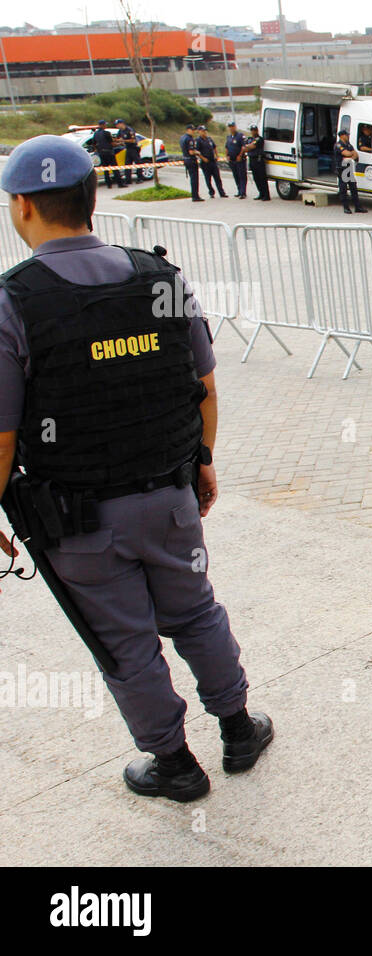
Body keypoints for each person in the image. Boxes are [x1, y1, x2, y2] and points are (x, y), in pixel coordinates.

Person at [0, 135, 272, 802]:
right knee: (196, 612)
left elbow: (2, 436)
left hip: (79, 520)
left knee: (124, 643)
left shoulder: (13, 302)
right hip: (171, 494)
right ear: (92, 198)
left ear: (25, 205)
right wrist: (203, 462)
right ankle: (239, 728)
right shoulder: (160, 276)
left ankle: (175, 765)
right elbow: (204, 386)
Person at [333, 130, 365, 215]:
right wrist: (350, 154)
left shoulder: (348, 144)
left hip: (349, 168)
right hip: (342, 169)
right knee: (343, 189)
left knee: (354, 188)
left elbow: (355, 154)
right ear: (342, 136)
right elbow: (346, 153)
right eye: (346, 135)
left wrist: (350, 155)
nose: (348, 136)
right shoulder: (338, 145)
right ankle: (346, 208)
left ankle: (357, 207)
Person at [195, 127, 227, 199]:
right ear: (199, 132)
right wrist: (203, 158)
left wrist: (216, 155)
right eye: (202, 131)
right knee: (208, 179)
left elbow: (214, 147)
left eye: (205, 131)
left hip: (212, 161)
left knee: (217, 178)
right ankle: (211, 192)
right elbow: (197, 152)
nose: (204, 132)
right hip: (205, 162)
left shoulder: (209, 139)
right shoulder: (198, 140)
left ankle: (222, 192)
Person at [242, 125, 271, 201]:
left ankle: (266, 195)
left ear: (257, 131)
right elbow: (244, 148)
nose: (253, 132)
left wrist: (247, 147)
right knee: (256, 178)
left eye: (254, 130)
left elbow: (252, 147)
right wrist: (247, 147)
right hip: (252, 160)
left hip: (259, 160)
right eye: (252, 130)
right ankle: (261, 193)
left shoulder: (259, 139)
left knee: (262, 178)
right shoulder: (250, 139)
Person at [92, 120, 120, 189]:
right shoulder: (107, 133)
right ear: (102, 125)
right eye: (105, 124)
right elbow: (112, 144)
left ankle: (109, 184)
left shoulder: (95, 134)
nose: (106, 126)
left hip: (101, 153)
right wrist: (119, 144)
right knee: (115, 168)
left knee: (106, 170)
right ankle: (120, 183)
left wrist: (98, 149)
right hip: (109, 153)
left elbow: (93, 143)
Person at [179, 124, 203, 202]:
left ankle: (195, 195)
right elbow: (191, 152)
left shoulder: (182, 137)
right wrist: (198, 152)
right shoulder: (190, 139)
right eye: (192, 130)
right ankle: (195, 196)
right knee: (194, 179)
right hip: (191, 160)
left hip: (186, 159)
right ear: (188, 130)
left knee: (192, 178)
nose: (194, 131)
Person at [225, 121, 248, 200]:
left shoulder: (240, 136)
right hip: (232, 160)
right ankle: (239, 191)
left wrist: (240, 155)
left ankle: (243, 192)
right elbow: (227, 147)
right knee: (236, 176)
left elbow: (243, 147)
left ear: (235, 127)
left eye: (232, 126)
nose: (231, 128)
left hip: (240, 159)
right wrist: (227, 155)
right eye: (230, 127)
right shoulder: (228, 137)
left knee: (242, 176)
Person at [114, 119, 141, 185]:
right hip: (128, 149)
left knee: (138, 163)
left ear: (121, 123)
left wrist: (123, 140)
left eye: (117, 124)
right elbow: (118, 139)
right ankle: (128, 180)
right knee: (127, 165)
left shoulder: (130, 130)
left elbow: (133, 140)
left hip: (134, 148)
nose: (116, 126)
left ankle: (140, 178)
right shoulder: (120, 131)